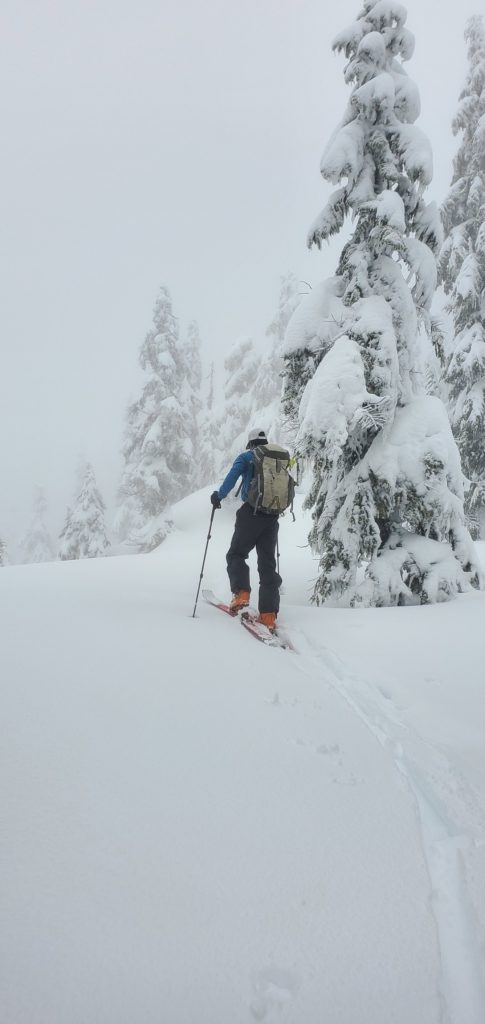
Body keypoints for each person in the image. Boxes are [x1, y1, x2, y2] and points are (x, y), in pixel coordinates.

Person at [210, 428, 282, 632]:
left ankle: (241, 595)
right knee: (267, 565)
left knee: (236, 554)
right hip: (272, 518)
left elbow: (232, 478)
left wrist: (219, 496)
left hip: (250, 514)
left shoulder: (246, 457)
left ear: (250, 443)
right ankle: (268, 615)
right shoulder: (276, 458)